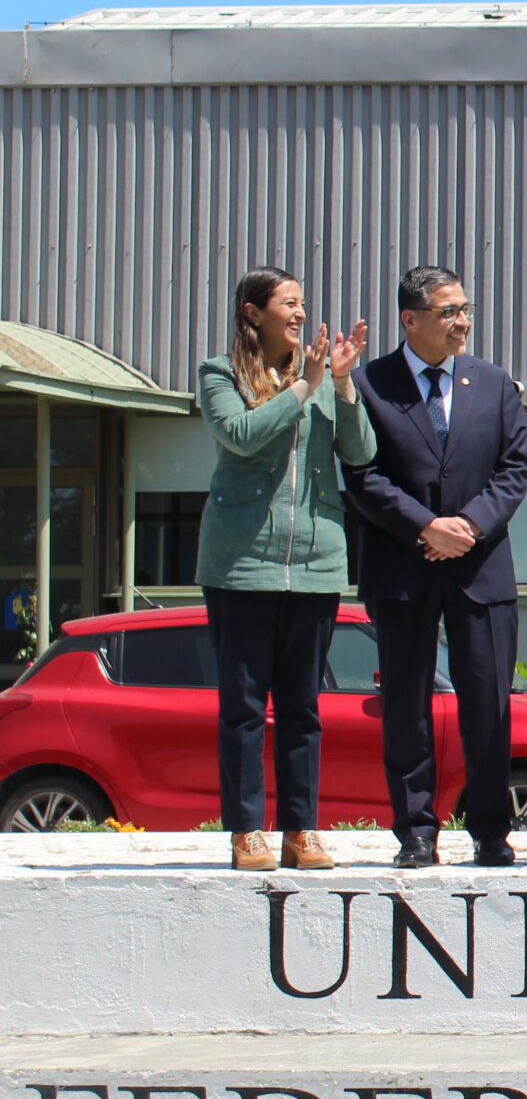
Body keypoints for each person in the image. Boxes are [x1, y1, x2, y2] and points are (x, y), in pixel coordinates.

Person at [344, 265, 527, 869]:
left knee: (488, 701)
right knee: (405, 704)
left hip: (482, 569)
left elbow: (514, 470)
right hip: (402, 565)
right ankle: (416, 831)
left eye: (465, 309)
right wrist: (425, 526)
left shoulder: (493, 381)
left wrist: (469, 526)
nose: (463, 323)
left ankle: (490, 831)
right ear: (411, 319)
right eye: (449, 312)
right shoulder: (370, 384)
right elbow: (361, 476)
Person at [196, 268, 374, 872]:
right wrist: (303, 389)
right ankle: (247, 831)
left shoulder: (324, 374)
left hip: (317, 564)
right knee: (243, 706)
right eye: (288, 304)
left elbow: (360, 453)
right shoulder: (219, 373)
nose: (300, 314)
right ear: (253, 312)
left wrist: (343, 387)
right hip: (241, 565)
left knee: (304, 707)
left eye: (303, 303)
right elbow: (241, 435)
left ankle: (302, 831)